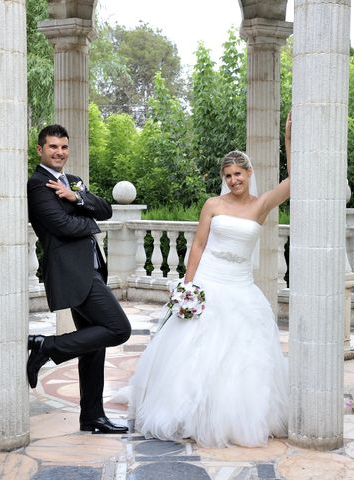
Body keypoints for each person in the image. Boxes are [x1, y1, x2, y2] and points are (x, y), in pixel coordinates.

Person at [121, 114, 292, 448]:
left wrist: (288, 140)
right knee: (195, 352)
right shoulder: (213, 205)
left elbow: (294, 181)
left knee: (244, 356)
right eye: (227, 176)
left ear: (249, 174)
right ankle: (189, 414)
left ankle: (239, 417)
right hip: (209, 282)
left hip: (241, 286)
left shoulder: (261, 206)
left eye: (238, 174)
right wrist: (188, 286)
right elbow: (198, 245)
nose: (232, 181)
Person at [26, 124, 131, 434]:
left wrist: (76, 196)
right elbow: (61, 226)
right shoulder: (36, 185)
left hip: (93, 270)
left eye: (64, 147)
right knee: (118, 328)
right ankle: (47, 346)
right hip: (73, 274)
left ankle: (92, 417)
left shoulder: (72, 181)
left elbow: (106, 209)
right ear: (40, 150)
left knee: (94, 346)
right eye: (53, 147)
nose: (59, 152)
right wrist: (87, 216)